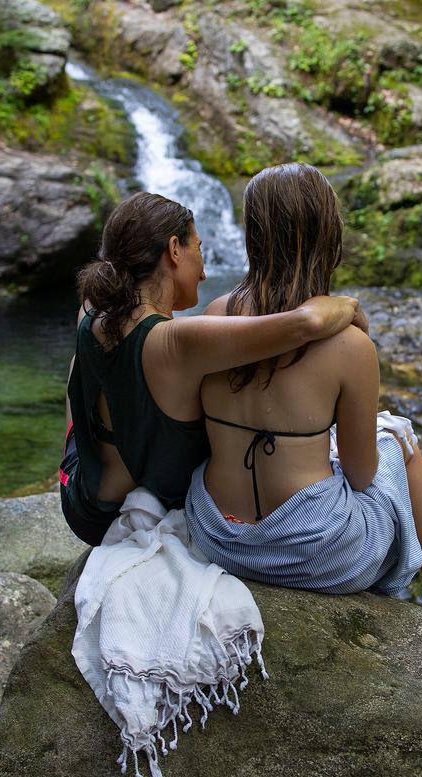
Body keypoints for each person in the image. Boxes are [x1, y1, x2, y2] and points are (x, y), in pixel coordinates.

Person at [185, 163, 422, 624]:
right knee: (399, 437)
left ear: (253, 236)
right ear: (328, 235)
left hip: (219, 538)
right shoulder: (349, 346)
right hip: (313, 553)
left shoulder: (215, 316)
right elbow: (361, 477)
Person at [60, 191, 365, 548]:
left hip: (78, 492)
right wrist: (350, 306)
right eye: (198, 249)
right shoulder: (179, 342)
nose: (204, 273)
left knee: (83, 362)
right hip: (111, 517)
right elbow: (307, 323)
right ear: (174, 249)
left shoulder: (93, 311)